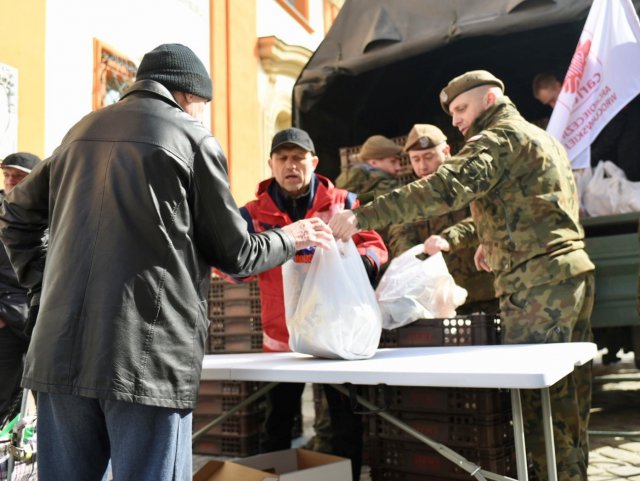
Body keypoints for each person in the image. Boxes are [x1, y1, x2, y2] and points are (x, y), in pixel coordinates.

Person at [0, 44, 332, 481]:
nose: (202, 116)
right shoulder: (191, 138)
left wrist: (44, 289)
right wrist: (294, 234)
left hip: (58, 352)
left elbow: (14, 216)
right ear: (189, 95)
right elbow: (238, 254)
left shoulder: (78, 132)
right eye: (202, 107)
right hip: (145, 359)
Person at [330, 70, 595, 481]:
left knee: (537, 411)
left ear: (489, 100)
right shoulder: (541, 139)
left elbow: (444, 188)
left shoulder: (498, 138)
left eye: (460, 108)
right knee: (569, 408)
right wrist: (494, 240)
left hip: (536, 288)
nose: (455, 119)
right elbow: (545, 206)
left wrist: (363, 215)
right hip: (567, 275)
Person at [236, 127, 387, 481]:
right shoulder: (252, 214)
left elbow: (375, 245)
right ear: (271, 163)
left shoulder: (344, 203)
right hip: (281, 340)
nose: (291, 165)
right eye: (283, 158)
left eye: (298, 158)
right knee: (277, 423)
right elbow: (234, 264)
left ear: (313, 162)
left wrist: (361, 264)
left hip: (337, 335)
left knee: (345, 423)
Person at [387, 124, 497, 314]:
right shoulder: (409, 197)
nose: (423, 166)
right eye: (416, 159)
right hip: (438, 296)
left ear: (446, 151)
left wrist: (449, 238)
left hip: (482, 290)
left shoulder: (471, 182)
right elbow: (400, 234)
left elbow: (487, 218)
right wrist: (416, 256)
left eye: (429, 157)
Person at [533, 72, 640, 181]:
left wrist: (592, 157)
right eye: (549, 104)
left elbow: (615, 124)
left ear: (558, 85)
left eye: (553, 99)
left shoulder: (589, 90)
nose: (554, 106)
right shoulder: (563, 117)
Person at [0, 152, 40, 429]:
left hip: (42, 317)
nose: (11, 181)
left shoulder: (54, 210)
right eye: (7, 175)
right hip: (6, 318)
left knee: (48, 399)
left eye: (19, 176)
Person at [334, 134, 403, 204]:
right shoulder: (385, 185)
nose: (398, 167)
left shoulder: (347, 185)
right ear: (373, 162)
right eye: (393, 162)